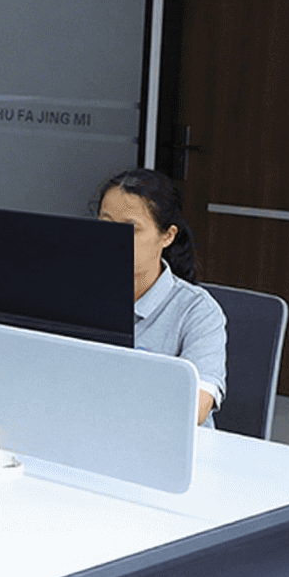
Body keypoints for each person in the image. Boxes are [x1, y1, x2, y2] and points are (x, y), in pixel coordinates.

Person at [96, 168, 226, 427]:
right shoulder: (80, 293)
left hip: (167, 440)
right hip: (92, 430)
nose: (113, 239)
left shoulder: (198, 310)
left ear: (167, 236)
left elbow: (197, 406)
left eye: (131, 229)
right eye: (106, 224)